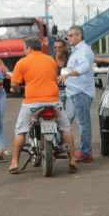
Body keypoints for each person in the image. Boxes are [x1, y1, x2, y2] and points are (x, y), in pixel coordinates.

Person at [7, 37, 78, 174]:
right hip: (53, 100)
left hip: (32, 102)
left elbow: (14, 84)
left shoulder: (22, 62)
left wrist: (16, 90)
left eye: (24, 48)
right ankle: (72, 161)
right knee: (65, 128)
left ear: (29, 48)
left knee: (20, 130)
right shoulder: (50, 60)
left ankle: (14, 162)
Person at [57, 25, 95, 164]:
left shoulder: (84, 50)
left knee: (83, 123)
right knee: (66, 119)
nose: (69, 38)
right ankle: (58, 146)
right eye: (68, 35)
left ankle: (86, 152)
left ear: (79, 36)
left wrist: (68, 74)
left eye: (71, 35)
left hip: (81, 91)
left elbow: (84, 67)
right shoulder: (75, 51)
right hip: (72, 91)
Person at [53, 35, 71, 112]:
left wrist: (107, 61)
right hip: (58, 90)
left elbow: (87, 59)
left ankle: (64, 124)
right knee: (59, 114)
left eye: (60, 47)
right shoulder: (51, 60)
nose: (57, 49)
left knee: (70, 114)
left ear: (64, 48)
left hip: (71, 89)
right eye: (55, 47)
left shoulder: (71, 56)